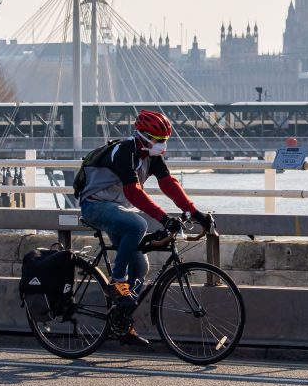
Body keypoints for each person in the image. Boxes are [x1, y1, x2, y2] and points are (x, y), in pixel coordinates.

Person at [78, 109, 212, 346]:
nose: (162, 145)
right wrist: (163, 218)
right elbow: (133, 192)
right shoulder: (125, 151)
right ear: (142, 135)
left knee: (140, 266)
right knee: (137, 224)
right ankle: (116, 281)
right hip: (95, 205)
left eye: (165, 140)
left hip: (116, 208)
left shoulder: (152, 155)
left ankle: (121, 324)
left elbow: (168, 184)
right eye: (159, 140)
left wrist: (194, 212)